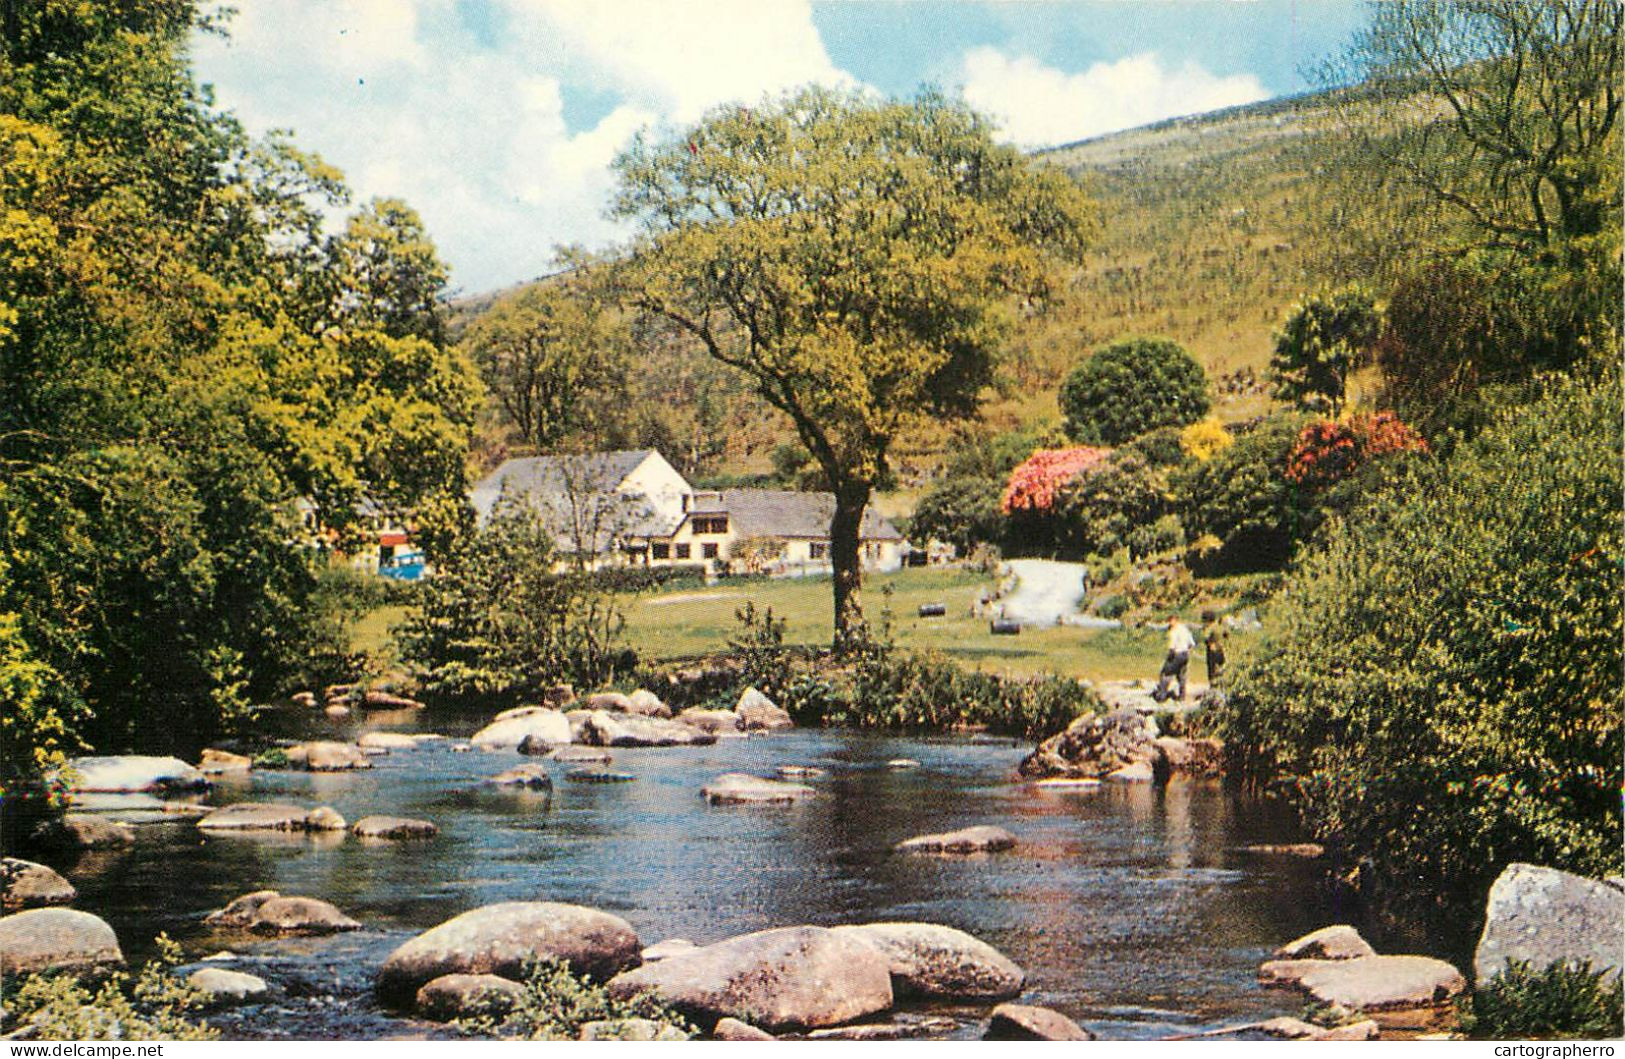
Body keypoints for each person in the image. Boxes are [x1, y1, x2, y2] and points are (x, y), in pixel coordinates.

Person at [1152, 614, 1196, 703]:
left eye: (1170, 621)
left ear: (1174, 620)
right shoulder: (1185, 629)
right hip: (1185, 654)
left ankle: (1162, 696)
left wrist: (1170, 658)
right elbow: (1192, 643)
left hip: (1177, 654)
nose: (1169, 623)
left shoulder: (1174, 631)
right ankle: (1182, 696)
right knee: (1181, 676)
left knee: (1165, 674)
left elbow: (1172, 647)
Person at [1202, 609, 1227, 685]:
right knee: (1221, 669)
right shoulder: (1219, 626)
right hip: (1221, 650)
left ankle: (1213, 687)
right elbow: (1226, 634)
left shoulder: (1209, 627)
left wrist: (1209, 643)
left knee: (1212, 670)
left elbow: (1206, 638)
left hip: (1212, 651)